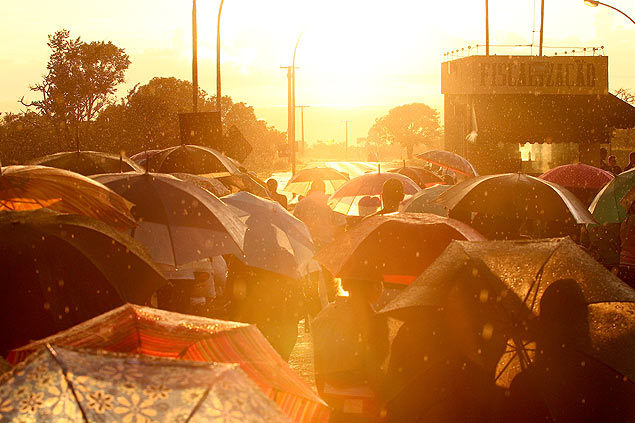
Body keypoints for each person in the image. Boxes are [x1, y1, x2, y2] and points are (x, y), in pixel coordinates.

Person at [312, 278, 388, 422]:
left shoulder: (325, 315)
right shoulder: (374, 319)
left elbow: (318, 363)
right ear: (373, 287)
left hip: (331, 395)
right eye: (378, 283)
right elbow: (375, 364)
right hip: (365, 397)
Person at [293, 180, 345, 251]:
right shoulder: (333, 203)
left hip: (308, 245)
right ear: (324, 189)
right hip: (328, 245)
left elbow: (295, 226)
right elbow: (341, 225)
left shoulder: (301, 204)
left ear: (311, 189)